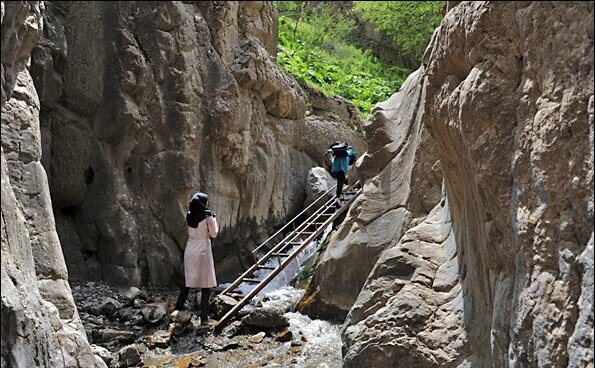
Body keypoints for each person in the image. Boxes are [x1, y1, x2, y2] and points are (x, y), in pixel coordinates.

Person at [175, 192, 219, 325]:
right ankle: (204, 318)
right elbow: (214, 233)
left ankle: (179, 306)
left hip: (190, 249)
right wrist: (214, 219)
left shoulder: (189, 215)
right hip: (203, 250)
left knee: (188, 279)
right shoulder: (207, 216)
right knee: (206, 284)